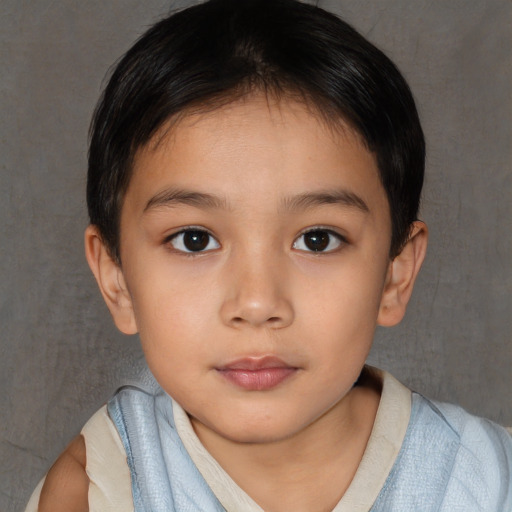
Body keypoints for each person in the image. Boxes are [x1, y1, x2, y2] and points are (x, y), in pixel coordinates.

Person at [26, 0, 512, 510]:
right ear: (116, 279)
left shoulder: (486, 482)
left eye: (318, 239)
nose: (257, 303)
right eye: (194, 240)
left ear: (396, 274)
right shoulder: (101, 488)